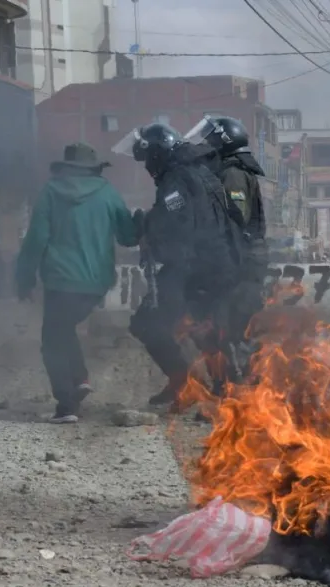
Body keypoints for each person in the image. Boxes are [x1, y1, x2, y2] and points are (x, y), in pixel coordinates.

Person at [112, 123, 240, 407]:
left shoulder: (177, 179)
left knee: (148, 323)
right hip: (213, 265)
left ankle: (188, 383)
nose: (146, 167)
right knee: (201, 324)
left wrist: (144, 224)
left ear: (157, 154)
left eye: (147, 159)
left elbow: (176, 222)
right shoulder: (198, 172)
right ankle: (220, 388)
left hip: (194, 267)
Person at [14, 143, 138, 423]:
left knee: (52, 340)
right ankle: (80, 378)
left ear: (65, 166)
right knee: (63, 327)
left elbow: (36, 240)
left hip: (61, 279)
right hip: (97, 282)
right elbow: (129, 236)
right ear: (94, 167)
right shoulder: (108, 193)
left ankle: (67, 405)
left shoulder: (50, 192)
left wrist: (24, 278)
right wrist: (141, 222)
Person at [184, 115, 268, 364]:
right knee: (223, 327)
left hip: (244, 259)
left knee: (233, 329)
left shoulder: (232, 173)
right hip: (240, 257)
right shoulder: (229, 170)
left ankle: (245, 386)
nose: (206, 145)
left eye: (210, 140)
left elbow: (235, 217)